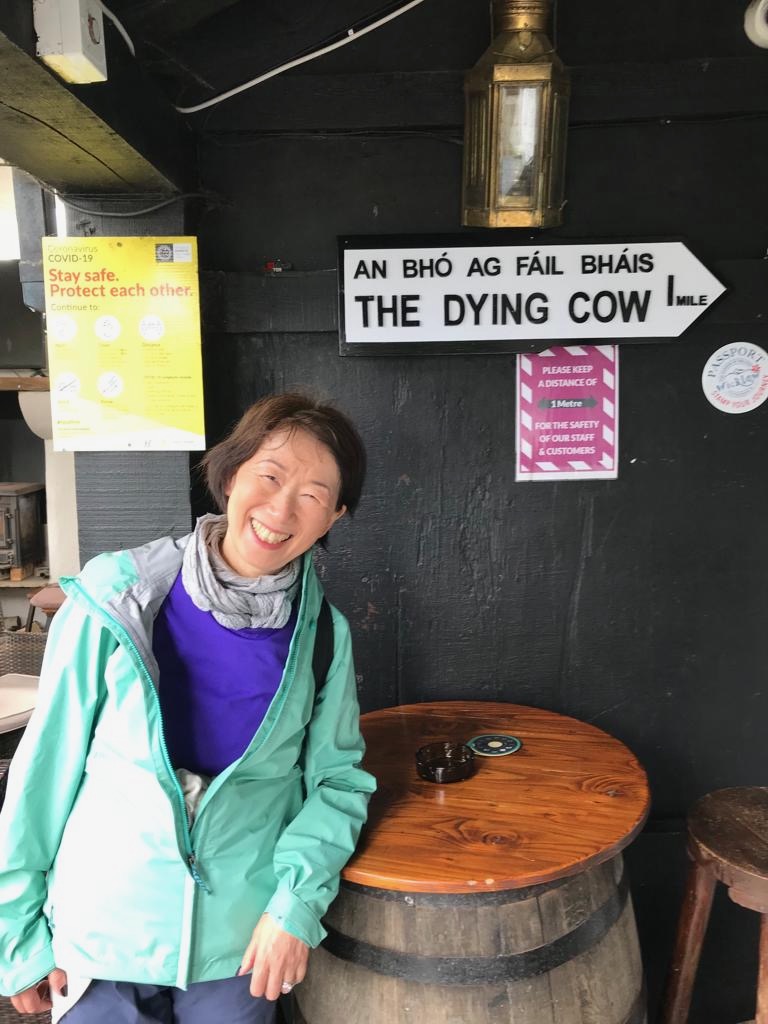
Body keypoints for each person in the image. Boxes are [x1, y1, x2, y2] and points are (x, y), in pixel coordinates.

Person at [0, 392, 376, 1023]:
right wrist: (17, 936)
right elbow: (43, 773)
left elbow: (338, 783)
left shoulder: (323, 636)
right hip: (101, 937)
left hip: (240, 947)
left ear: (333, 517)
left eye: (312, 495)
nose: (281, 509)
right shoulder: (117, 599)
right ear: (229, 476)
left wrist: (294, 907)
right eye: (269, 476)